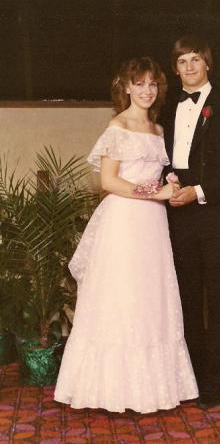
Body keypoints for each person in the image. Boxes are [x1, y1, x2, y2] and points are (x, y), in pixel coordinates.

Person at [54, 56, 198, 413]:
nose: (147, 91)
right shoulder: (116, 127)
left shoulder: (159, 130)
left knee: (151, 299)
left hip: (152, 224)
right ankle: (112, 391)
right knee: (122, 297)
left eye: (152, 84)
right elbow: (109, 182)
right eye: (140, 84)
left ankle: (150, 390)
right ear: (126, 87)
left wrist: (168, 184)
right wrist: (154, 193)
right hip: (124, 223)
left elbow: (152, 175)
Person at [162, 35, 220, 408]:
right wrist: (168, 177)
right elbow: (161, 157)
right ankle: (191, 378)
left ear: (208, 64)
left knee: (217, 302)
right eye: (182, 61)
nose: (189, 67)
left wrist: (197, 190)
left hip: (216, 216)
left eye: (196, 59)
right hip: (177, 217)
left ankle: (214, 384)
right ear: (175, 67)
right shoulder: (167, 107)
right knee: (184, 300)